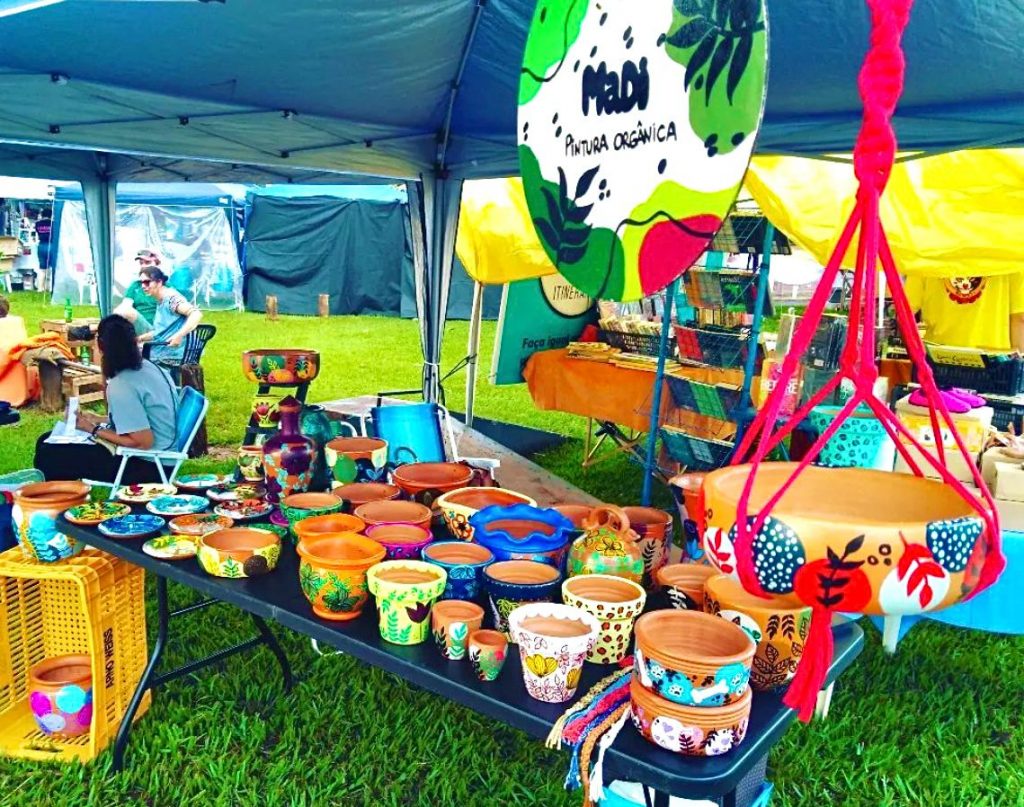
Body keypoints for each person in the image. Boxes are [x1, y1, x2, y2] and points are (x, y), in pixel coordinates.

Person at [33, 315, 178, 484]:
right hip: (159, 455)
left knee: (49, 454)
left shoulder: (122, 385)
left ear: (101, 346)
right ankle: (67, 492)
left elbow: (143, 442)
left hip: (148, 465)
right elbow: (140, 418)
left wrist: (93, 429)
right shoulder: (150, 367)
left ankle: (62, 496)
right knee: (46, 439)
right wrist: (98, 419)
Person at [905, 273, 1024, 352]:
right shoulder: (1009, 252)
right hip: (995, 363)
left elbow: (905, 312)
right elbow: (1019, 318)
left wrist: (917, 356)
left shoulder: (926, 250)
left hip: (938, 358)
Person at [136, 264, 202, 366]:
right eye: (141, 283)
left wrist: (179, 335)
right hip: (166, 350)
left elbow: (196, 314)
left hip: (174, 354)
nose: (143, 286)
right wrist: (140, 338)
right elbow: (162, 331)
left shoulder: (171, 300)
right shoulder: (161, 300)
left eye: (147, 282)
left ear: (159, 282)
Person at [114, 249, 162, 336]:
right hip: (137, 328)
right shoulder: (136, 285)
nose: (143, 266)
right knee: (120, 314)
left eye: (147, 262)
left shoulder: (166, 286)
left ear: (157, 264)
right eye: (141, 263)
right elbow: (125, 306)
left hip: (158, 331)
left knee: (125, 313)